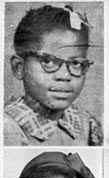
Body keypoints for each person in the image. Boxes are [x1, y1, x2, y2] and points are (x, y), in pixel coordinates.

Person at [4, 4, 103, 146]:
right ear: (19, 67)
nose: (64, 75)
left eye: (75, 63)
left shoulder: (86, 124)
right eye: (48, 61)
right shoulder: (8, 129)